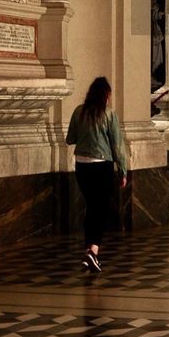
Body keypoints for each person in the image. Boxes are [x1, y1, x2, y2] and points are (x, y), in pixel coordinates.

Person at [65, 77, 130, 273]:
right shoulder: (109, 115)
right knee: (100, 209)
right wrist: (123, 170)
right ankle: (93, 250)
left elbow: (70, 139)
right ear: (106, 96)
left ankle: (89, 251)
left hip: (82, 165)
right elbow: (117, 145)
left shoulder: (79, 111)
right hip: (102, 165)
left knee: (91, 206)